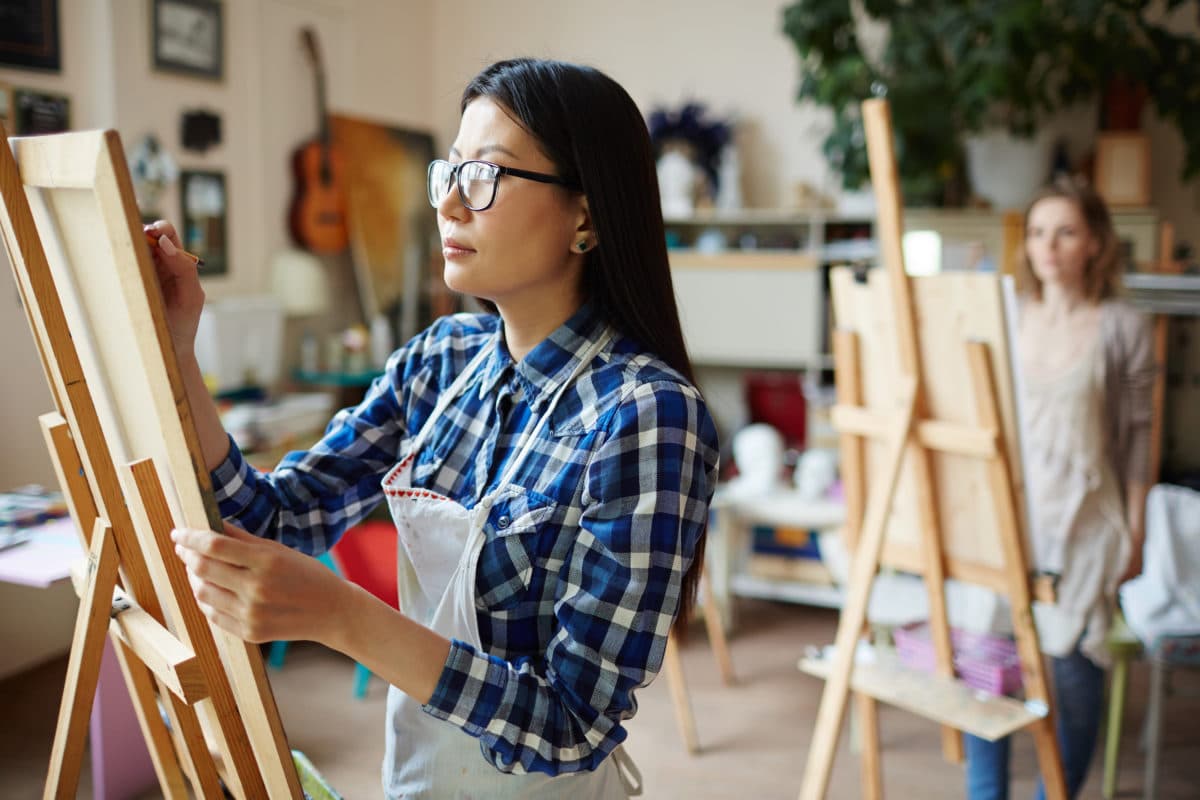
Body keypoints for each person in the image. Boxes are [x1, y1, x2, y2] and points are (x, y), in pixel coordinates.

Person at [151, 58, 719, 799]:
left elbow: (571, 725)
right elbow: (277, 519)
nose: (449, 203)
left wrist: (345, 618)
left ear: (585, 214)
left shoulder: (646, 416)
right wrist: (176, 350)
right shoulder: (440, 361)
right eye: (448, 171)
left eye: (485, 175)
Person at [964, 177, 1155, 799]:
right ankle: (984, 794)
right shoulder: (1005, 316)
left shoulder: (1123, 326)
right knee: (986, 675)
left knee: (1073, 678)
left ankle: (1057, 793)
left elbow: (1139, 441)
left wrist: (1137, 527)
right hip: (1007, 519)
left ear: (1095, 244)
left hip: (1085, 523)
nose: (1049, 245)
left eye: (1067, 231)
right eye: (1040, 231)